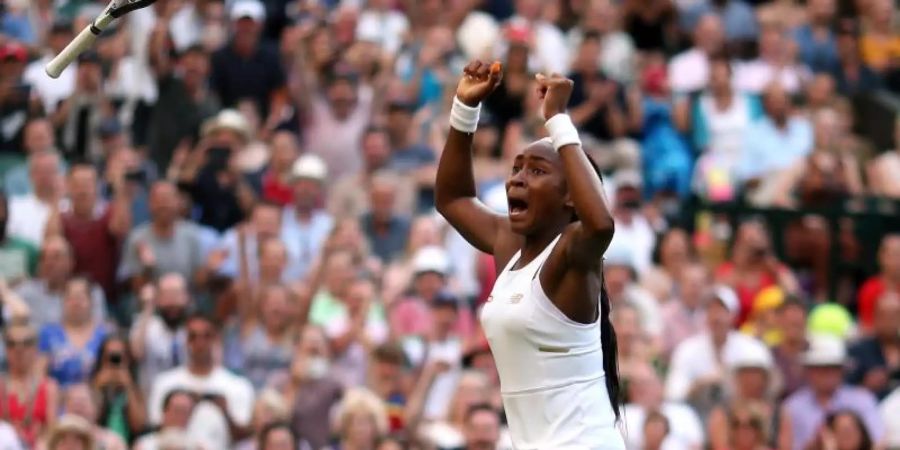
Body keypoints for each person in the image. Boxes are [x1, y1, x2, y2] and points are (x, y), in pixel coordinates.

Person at [435, 61, 624, 448]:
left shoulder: (572, 253)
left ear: (571, 195)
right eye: (517, 168)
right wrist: (465, 109)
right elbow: (453, 199)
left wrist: (557, 119)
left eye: (537, 171)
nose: (518, 178)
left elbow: (601, 224)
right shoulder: (509, 243)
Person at [148, 313, 255, 449]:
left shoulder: (238, 386)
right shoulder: (164, 383)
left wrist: (225, 413)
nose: (200, 343)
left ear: (217, 339)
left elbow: (245, 438)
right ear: (185, 341)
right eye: (193, 337)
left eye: (206, 336)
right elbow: (155, 429)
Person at [37, 276, 110, 387]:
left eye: (81, 297)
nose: (76, 303)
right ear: (63, 301)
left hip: (95, 399)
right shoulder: (48, 333)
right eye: (71, 298)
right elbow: (39, 375)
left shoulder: (105, 335)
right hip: (57, 400)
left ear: (91, 301)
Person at [0, 323, 59, 447]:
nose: (19, 349)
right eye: (12, 344)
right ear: (6, 349)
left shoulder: (49, 387)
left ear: (36, 348)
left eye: (26, 343)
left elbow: (52, 430)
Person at [89, 334, 146, 444]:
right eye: (109, 357)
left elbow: (138, 426)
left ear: (128, 359)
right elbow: (88, 421)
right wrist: (97, 387)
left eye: (119, 357)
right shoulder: (93, 384)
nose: (114, 362)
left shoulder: (135, 387)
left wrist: (129, 387)